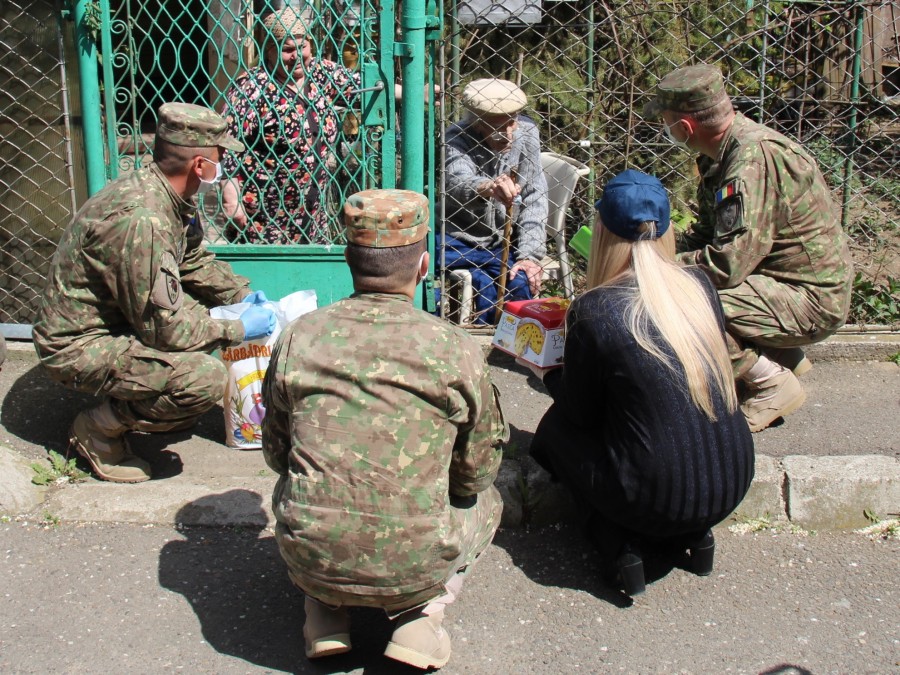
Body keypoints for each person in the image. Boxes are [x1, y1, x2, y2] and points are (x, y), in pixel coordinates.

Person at [262, 189, 506, 670]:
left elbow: (276, 452)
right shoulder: (453, 347)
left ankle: (325, 614)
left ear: (349, 259)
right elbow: (475, 474)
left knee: (290, 484)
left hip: (313, 552)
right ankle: (420, 618)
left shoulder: (300, 336)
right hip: (416, 562)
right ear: (421, 267)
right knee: (488, 501)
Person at [527, 170, 754, 597]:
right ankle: (695, 534)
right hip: (733, 481)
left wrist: (549, 374)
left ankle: (616, 543)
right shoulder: (700, 286)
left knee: (554, 431)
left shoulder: (595, 309)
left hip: (655, 496)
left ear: (602, 235)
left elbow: (580, 413)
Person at [32, 103, 276, 484]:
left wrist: (240, 295)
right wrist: (237, 329)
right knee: (203, 379)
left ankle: (133, 395)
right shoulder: (142, 219)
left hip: (115, 321)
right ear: (200, 165)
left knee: (203, 320)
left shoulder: (163, 191)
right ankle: (98, 429)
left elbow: (191, 257)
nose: (224, 160)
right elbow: (168, 332)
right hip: (78, 346)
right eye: (220, 154)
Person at [643, 64, 853, 432]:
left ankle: (770, 382)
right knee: (674, 284)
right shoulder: (720, 156)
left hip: (811, 298)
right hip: (779, 283)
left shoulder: (750, 163)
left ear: (685, 127)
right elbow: (710, 235)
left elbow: (727, 265)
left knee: (679, 303)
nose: (664, 129)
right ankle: (780, 354)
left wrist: (660, 269)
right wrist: (653, 252)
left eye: (665, 121)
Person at [219, 7, 361, 245]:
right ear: (271, 52)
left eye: (302, 47)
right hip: (265, 213)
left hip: (313, 211)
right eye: (287, 50)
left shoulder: (321, 72)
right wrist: (231, 199)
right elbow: (227, 143)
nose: (297, 55)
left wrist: (418, 92)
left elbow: (367, 89)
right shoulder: (253, 86)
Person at [442, 78, 548, 324]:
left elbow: (535, 197)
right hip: (458, 236)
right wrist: (486, 188)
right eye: (498, 127)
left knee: (520, 281)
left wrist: (529, 256)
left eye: (512, 123)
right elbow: (457, 180)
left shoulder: (527, 133)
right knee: (479, 279)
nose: (508, 134)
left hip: (503, 240)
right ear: (476, 124)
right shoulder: (457, 137)